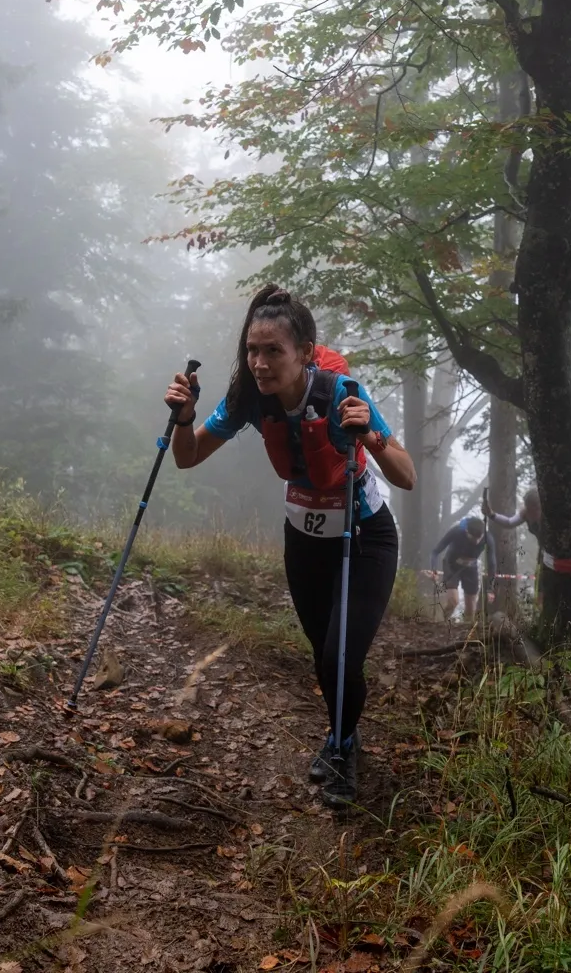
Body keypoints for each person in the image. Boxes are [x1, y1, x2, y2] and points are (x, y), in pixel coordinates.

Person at [164, 285, 415, 808]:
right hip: (304, 538)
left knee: (339, 655)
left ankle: (343, 751)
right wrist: (185, 418)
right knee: (326, 659)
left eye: (273, 350)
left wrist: (368, 433)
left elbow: (406, 474)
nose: (259, 362)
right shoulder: (248, 399)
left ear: (304, 351)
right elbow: (187, 459)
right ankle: (341, 735)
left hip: (364, 535)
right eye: (253, 350)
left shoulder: (343, 392)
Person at [428, 517, 488, 622]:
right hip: (451, 565)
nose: (477, 541)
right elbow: (435, 552)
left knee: (471, 607)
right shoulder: (456, 532)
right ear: (466, 532)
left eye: (479, 538)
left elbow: (492, 561)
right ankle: (443, 622)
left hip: (470, 568)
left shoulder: (488, 537)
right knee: (453, 601)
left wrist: (491, 587)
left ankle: (466, 631)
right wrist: (433, 570)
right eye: (473, 538)